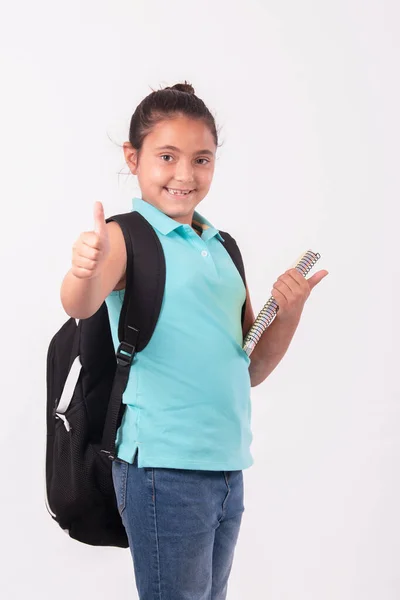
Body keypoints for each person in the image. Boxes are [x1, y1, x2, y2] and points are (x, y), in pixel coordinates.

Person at [60, 81, 328, 599]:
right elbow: (80, 303)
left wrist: (289, 314)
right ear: (133, 158)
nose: (185, 174)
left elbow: (247, 366)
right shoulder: (125, 236)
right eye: (167, 156)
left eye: (201, 159)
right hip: (163, 467)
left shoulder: (222, 247)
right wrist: (82, 269)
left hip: (227, 466)